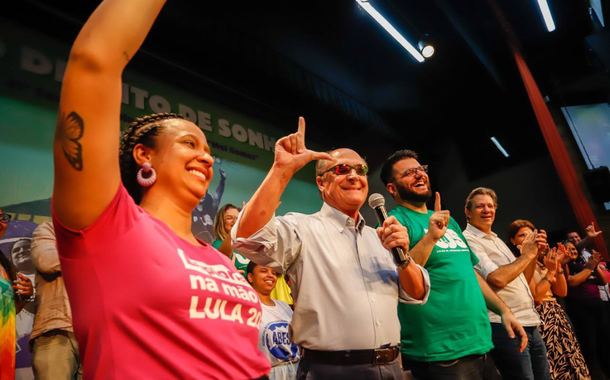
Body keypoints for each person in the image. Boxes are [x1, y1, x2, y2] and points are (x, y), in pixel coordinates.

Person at [51, 0, 270, 378]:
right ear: (143, 154)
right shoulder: (106, 225)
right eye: (190, 144)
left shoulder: (218, 258)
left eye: (209, 151)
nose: (206, 158)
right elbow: (94, 63)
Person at [232, 119, 430, 380]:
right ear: (321, 183)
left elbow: (417, 293)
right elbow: (246, 237)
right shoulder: (301, 228)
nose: (354, 176)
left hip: (391, 368)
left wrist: (403, 258)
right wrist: (282, 169)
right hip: (330, 371)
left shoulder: (381, 238)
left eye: (361, 170)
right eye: (342, 169)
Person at [380, 150, 525, 379]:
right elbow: (403, 281)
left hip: (479, 342)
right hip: (440, 351)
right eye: (409, 172)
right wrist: (430, 237)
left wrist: (504, 310)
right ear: (392, 188)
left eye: (421, 169)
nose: (419, 174)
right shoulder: (395, 222)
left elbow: (471, 273)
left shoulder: (448, 220)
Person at [463, 187, 551, 380]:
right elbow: (497, 279)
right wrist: (526, 255)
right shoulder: (468, 240)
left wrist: (532, 253)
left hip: (529, 321)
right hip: (504, 325)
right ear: (468, 212)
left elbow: (523, 282)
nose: (487, 210)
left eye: (490, 206)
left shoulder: (496, 239)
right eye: (480, 206)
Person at [508, 220, 590, 380]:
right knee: (555, 364)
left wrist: (557, 265)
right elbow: (536, 296)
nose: (527, 238)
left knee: (572, 359)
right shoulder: (519, 262)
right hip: (540, 317)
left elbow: (562, 291)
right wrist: (551, 272)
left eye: (530, 234)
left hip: (557, 312)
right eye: (521, 235)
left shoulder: (543, 260)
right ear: (513, 241)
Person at [29, 221, 83, 380]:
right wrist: (95, 252)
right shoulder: (49, 229)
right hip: (56, 327)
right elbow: (46, 260)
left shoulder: (106, 234)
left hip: (98, 332)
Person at [564, 241, 610, 379]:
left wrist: (595, 267)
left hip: (598, 306)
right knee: (590, 346)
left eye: (573, 248)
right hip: (581, 309)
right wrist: (589, 268)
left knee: (606, 341)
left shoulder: (583, 265)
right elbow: (571, 282)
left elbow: (602, 282)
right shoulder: (565, 266)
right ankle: (596, 375)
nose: (572, 251)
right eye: (568, 249)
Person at [247, 261, 300, 380]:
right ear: (250, 277)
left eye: (274, 272)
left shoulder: (284, 306)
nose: (270, 275)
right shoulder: (247, 307)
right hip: (268, 374)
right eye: (263, 271)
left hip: (296, 370)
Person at [0, 209, 34, 380]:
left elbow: (8, 311)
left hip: (4, 345)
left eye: (2, 217)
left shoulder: (4, 266)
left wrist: (26, 296)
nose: (0, 222)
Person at [213, 203, 250, 276]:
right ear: (221, 223)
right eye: (229, 218)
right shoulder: (217, 245)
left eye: (238, 217)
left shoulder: (247, 245)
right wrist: (230, 275)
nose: (235, 221)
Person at [193, 167, 227, 243]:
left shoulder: (211, 211)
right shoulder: (190, 211)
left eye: (205, 192)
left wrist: (222, 180)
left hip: (209, 246)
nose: (203, 195)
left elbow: (218, 195)